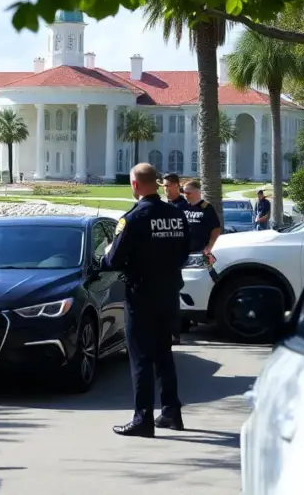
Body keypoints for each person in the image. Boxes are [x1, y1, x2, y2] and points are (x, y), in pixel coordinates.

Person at [104, 163, 190, 437]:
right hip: (168, 294)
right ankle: (171, 412)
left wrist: (107, 252)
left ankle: (143, 419)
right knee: (164, 354)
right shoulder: (176, 215)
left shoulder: (134, 218)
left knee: (140, 357)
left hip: (142, 296)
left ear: (135, 184)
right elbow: (186, 252)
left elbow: (113, 260)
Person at [157, 172, 189, 345]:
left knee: (173, 299)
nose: (166, 189)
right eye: (164, 186)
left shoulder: (185, 207)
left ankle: (175, 333)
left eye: (168, 186)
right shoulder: (162, 207)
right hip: (162, 260)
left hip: (177, 260)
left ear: (177, 185)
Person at [183, 180, 222, 261]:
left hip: (201, 250)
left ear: (198, 192)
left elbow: (216, 229)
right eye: (184, 193)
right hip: (185, 249)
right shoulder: (184, 207)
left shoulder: (206, 207)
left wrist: (210, 247)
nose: (185, 195)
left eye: (188, 193)